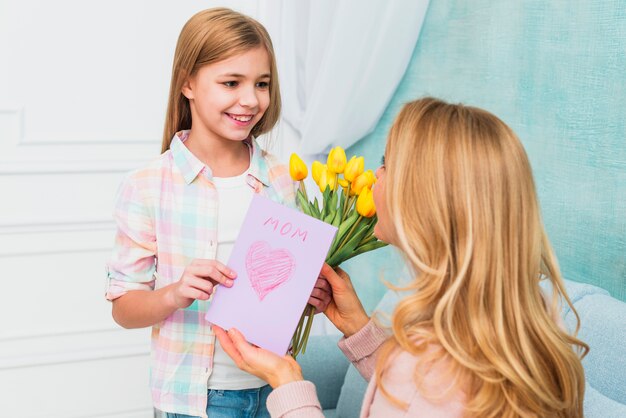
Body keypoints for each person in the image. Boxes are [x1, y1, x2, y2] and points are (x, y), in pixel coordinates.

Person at [214, 97, 590, 417]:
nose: (377, 174)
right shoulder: (521, 327)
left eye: (388, 163)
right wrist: (360, 329)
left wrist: (287, 385)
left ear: (423, 202)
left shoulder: (433, 359)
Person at [105, 8, 331, 418]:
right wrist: (174, 293)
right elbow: (123, 306)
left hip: (276, 386)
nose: (251, 100)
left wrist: (310, 296)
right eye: (231, 82)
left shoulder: (283, 177)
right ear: (187, 83)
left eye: (261, 84)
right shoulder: (147, 185)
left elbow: (285, 289)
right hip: (194, 402)